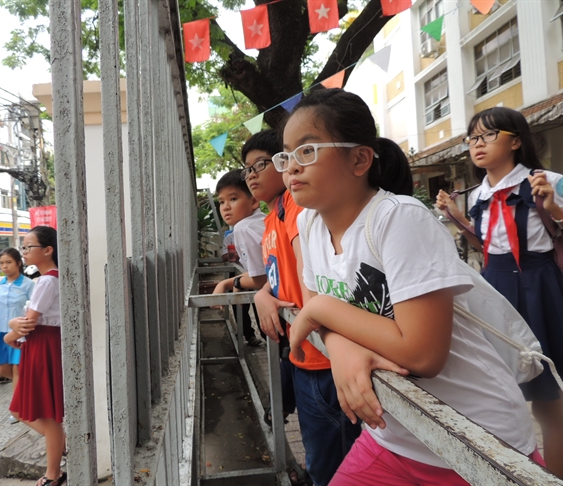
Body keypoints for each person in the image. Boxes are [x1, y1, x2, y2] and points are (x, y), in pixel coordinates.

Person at [279, 89, 543, 485]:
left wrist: (319, 313)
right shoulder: (310, 225)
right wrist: (342, 347)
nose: (291, 168)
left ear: (359, 159)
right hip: (395, 434)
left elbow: (422, 354)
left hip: (476, 442)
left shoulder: (398, 218)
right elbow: (326, 311)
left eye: (308, 151)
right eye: (286, 155)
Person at [436, 106, 563, 478]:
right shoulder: (478, 195)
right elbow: (488, 248)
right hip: (495, 288)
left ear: (516, 141)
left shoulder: (548, 180)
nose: (478, 144)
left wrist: (554, 206)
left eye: (488, 135)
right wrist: (457, 219)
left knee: (547, 401)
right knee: (494, 387)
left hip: (540, 288)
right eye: (473, 137)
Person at [244, 129, 362, 486]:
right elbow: (279, 274)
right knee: (320, 455)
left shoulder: (296, 208)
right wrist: (262, 292)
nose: (251, 174)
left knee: (332, 464)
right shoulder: (271, 216)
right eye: (246, 168)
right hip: (304, 351)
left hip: (324, 355)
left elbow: (307, 273)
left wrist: (309, 315)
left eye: (260, 164)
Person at [5, 226, 66, 486]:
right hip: (43, 344)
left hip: (43, 344)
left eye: (29, 247)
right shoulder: (52, 278)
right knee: (29, 410)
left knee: (42, 413)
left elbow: (27, 324)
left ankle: (53, 474)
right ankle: (59, 445)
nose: (25, 252)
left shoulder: (46, 280)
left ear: (48, 250)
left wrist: (9, 332)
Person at [213, 169, 266, 346]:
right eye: (221, 202)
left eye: (233, 199)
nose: (225, 207)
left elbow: (260, 278)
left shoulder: (243, 227)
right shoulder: (263, 221)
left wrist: (233, 283)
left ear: (254, 201)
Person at [0, 248, 34, 414]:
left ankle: (18, 409)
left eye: (9, 262)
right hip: (0, 332)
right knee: (2, 369)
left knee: (17, 369)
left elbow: (33, 309)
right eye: (2, 263)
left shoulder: (28, 284)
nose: (5, 266)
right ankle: (26, 388)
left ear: (18, 263)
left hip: (19, 334)